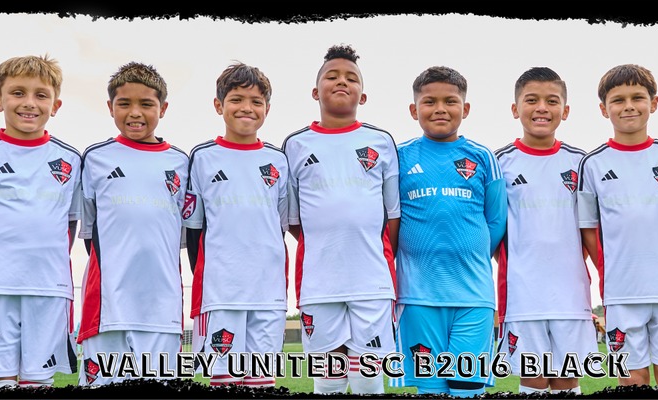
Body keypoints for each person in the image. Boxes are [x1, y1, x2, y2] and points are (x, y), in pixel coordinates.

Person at [0, 55, 81, 389]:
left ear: (55, 105)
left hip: (50, 289)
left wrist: (40, 262)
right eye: (18, 93)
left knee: (39, 382)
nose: (29, 103)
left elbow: (69, 224)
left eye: (41, 95)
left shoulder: (70, 159)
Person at [576, 64, 658, 388]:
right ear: (604, 109)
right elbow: (588, 229)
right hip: (621, 291)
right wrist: (612, 265)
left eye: (637, 97)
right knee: (632, 378)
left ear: (654, 103)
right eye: (618, 100)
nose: (629, 106)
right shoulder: (593, 164)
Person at [281, 44, 399, 394]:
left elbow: (392, 216)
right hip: (319, 281)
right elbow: (294, 220)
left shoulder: (381, 141)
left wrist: (364, 245)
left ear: (363, 95)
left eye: (351, 78)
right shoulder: (296, 144)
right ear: (315, 91)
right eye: (332, 76)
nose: (342, 82)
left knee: (368, 378)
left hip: (372, 280)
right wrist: (330, 241)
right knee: (329, 377)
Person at [392, 66, 505, 398]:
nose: (440, 109)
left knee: (467, 388)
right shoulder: (399, 157)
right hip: (418, 298)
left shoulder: (483, 157)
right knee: (432, 390)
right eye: (429, 102)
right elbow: (390, 220)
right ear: (414, 110)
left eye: (450, 101)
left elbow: (496, 221)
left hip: (473, 297)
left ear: (465, 109)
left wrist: (467, 255)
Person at [75, 62, 189, 386]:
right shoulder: (94, 158)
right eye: (124, 103)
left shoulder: (181, 162)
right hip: (107, 307)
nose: (135, 112)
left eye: (146, 104)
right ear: (110, 107)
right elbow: (90, 232)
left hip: (162, 308)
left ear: (163, 109)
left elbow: (181, 233)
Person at [185, 62, 289, 389]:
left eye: (256, 101)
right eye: (236, 99)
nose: (247, 108)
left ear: (267, 109)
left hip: (268, 292)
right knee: (225, 381)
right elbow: (194, 230)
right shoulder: (202, 157)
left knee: (262, 383)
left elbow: (280, 224)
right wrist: (211, 275)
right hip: (221, 293)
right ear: (219, 105)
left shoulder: (278, 160)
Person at [492, 67, 594, 395]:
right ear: (515, 108)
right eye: (531, 100)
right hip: (523, 293)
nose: (541, 108)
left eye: (552, 101)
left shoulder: (581, 162)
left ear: (565, 110)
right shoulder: (499, 162)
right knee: (533, 379)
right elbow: (492, 228)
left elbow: (593, 227)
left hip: (571, 293)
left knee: (567, 380)